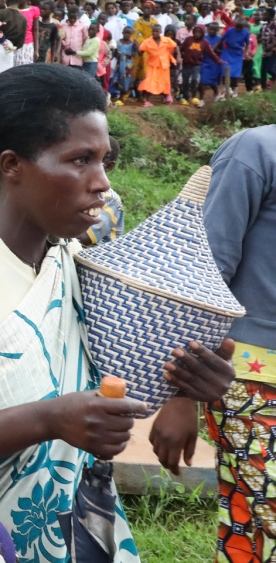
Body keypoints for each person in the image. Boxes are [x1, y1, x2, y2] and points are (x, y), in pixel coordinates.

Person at [0, 63, 235, 561]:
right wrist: (47, 420)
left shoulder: (67, 260)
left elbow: (108, 378)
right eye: (80, 160)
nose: (102, 183)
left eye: (105, 160)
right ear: (12, 165)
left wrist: (186, 386)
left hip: (62, 525)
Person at [150, 123, 276, 561]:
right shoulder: (255, 152)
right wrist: (180, 394)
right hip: (249, 379)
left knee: (250, 536)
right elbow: (206, 274)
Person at [78, 136, 123, 246]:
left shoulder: (110, 199)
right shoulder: (77, 191)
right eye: (85, 159)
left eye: (99, 161)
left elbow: (85, 237)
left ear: (108, 166)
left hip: (94, 261)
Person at [137, 23, 178, 105]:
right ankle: (147, 101)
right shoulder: (147, 42)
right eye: (153, 31)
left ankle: (167, 96)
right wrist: (139, 51)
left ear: (160, 32)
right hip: (153, 65)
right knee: (150, 82)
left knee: (165, 81)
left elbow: (175, 46)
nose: (154, 33)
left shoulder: (166, 40)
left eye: (157, 31)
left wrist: (178, 57)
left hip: (164, 65)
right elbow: (140, 51)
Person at [179, 24, 218, 105]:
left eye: (199, 32)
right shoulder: (188, 39)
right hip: (186, 64)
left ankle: (194, 96)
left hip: (197, 65)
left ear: (202, 33)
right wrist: (182, 56)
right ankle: (185, 97)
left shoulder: (204, 42)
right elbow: (181, 48)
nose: (197, 34)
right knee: (185, 81)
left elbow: (211, 53)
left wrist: (218, 61)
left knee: (195, 80)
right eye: (195, 32)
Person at [220, 14, 252, 98]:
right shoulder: (230, 30)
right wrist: (213, 48)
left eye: (240, 27)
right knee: (224, 69)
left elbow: (247, 44)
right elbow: (221, 39)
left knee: (236, 73)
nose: (238, 28)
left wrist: (246, 53)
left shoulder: (246, 33)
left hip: (238, 53)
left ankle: (235, 90)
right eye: (237, 26)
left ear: (243, 26)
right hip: (227, 51)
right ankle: (224, 90)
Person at [11, 0, 39, 66]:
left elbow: (35, 29)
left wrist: (36, 50)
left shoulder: (34, 10)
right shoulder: (12, 10)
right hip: (13, 45)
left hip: (27, 44)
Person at [112, 25, 136, 101]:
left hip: (127, 64)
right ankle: (117, 93)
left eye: (129, 33)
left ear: (131, 34)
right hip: (119, 63)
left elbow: (135, 53)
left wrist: (136, 46)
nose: (127, 35)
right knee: (117, 78)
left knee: (126, 79)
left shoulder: (132, 44)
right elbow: (114, 54)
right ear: (122, 32)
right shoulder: (118, 42)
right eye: (125, 32)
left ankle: (124, 95)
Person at [260, 8, 276, 90]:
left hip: (273, 51)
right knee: (263, 70)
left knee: (269, 69)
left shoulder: (275, 25)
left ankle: (273, 77)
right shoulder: (264, 26)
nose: (263, 16)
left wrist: (273, 45)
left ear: (270, 16)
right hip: (265, 50)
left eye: (265, 14)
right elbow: (260, 36)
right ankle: (264, 88)